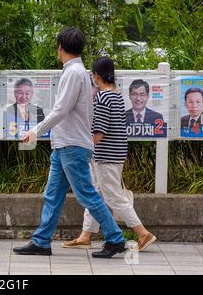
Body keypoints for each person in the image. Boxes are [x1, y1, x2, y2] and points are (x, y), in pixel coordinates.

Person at [13, 28, 126, 258]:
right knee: (53, 195)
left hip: (72, 146)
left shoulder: (73, 73)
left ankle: (115, 238)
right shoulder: (78, 72)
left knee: (86, 194)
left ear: (60, 48)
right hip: (64, 145)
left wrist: (36, 130)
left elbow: (60, 109)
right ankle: (42, 241)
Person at [61, 57, 156, 252]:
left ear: (96, 76)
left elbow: (99, 132)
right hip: (113, 153)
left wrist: (84, 148)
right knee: (95, 194)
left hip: (106, 156)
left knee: (113, 197)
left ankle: (143, 233)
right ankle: (85, 235)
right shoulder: (117, 95)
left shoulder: (103, 97)